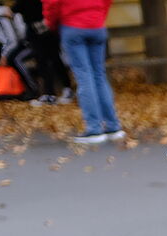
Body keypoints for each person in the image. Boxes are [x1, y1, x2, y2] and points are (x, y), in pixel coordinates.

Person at [44, 0, 123, 144]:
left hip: (72, 25)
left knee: (84, 76)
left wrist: (52, 24)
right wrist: (99, 17)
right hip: (97, 25)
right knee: (99, 75)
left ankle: (94, 128)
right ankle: (113, 126)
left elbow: (51, 4)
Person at [14, 0, 74, 105]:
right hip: (40, 26)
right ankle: (53, 91)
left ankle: (55, 92)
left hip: (45, 25)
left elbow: (18, 7)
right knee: (47, 60)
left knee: (49, 60)